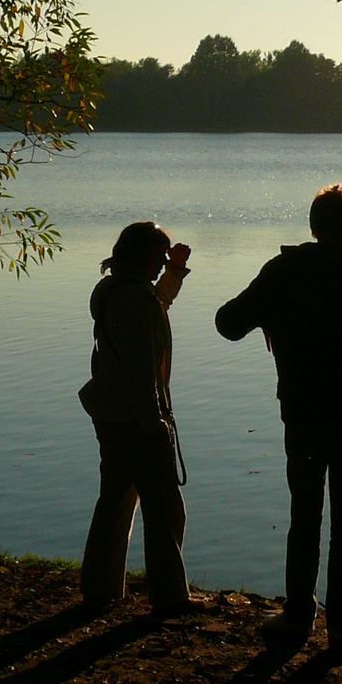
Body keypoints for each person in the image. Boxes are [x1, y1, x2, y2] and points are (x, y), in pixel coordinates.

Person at [215, 184, 342, 651]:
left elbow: (227, 323)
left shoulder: (284, 269)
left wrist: (271, 308)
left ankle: (298, 617)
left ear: (313, 225)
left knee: (304, 515)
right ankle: (341, 623)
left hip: (301, 411)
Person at [77, 221, 208, 617]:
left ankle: (99, 590)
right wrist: (155, 424)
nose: (163, 261)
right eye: (159, 255)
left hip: (112, 415)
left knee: (115, 501)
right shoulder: (133, 299)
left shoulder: (118, 290)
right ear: (141, 255)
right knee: (165, 508)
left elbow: (159, 301)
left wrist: (174, 272)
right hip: (136, 420)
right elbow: (140, 372)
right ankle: (170, 598)